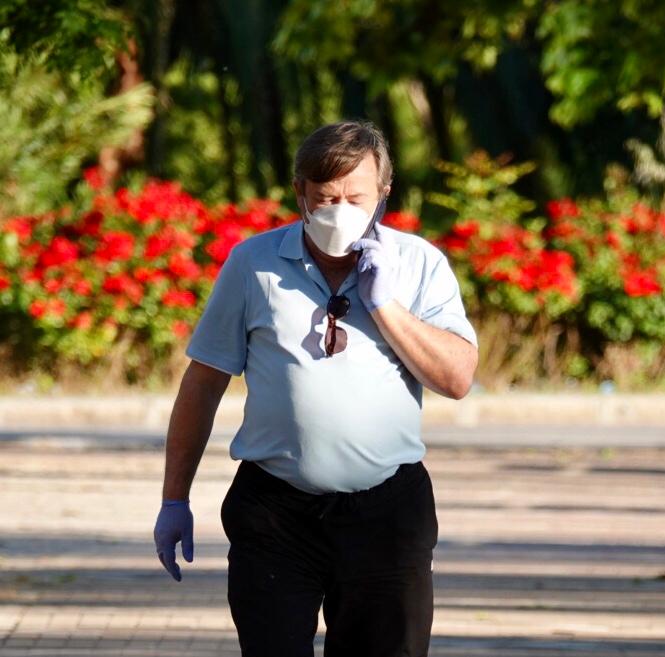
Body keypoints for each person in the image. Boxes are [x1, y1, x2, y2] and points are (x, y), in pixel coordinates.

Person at [153, 120, 479, 657]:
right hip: (275, 512)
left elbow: (457, 378)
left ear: (383, 193)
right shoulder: (253, 264)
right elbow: (203, 382)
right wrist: (174, 498)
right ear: (300, 194)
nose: (340, 210)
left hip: (386, 513)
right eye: (326, 197)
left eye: (355, 197)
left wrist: (386, 304)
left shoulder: (419, 264)